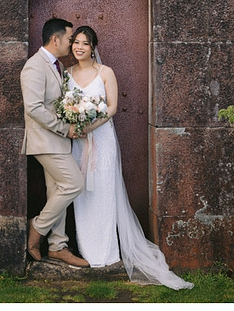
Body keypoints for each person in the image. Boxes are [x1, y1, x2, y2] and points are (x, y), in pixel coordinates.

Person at [67, 26, 193, 289]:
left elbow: (111, 107)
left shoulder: (105, 73)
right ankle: (87, 251)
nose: (79, 47)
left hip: (101, 138)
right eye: (76, 42)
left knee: (102, 191)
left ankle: (107, 253)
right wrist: (75, 125)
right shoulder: (67, 74)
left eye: (85, 43)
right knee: (82, 192)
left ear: (93, 47)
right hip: (78, 142)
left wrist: (89, 125)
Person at [21, 17, 89, 268]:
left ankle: (58, 246)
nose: (71, 44)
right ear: (55, 39)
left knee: (57, 191)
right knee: (74, 184)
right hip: (45, 141)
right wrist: (65, 128)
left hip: (58, 141)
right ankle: (37, 228)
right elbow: (34, 108)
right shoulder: (35, 66)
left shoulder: (57, 66)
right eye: (70, 39)